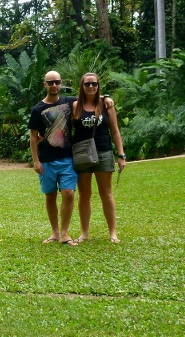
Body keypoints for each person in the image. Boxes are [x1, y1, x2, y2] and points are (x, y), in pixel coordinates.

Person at [71, 73, 127, 244]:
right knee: (84, 194)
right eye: (87, 84)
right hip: (82, 154)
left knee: (106, 193)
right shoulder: (75, 106)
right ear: (82, 86)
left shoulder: (106, 105)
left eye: (94, 84)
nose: (91, 87)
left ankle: (113, 232)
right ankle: (84, 233)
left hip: (103, 152)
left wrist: (121, 155)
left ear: (98, 86)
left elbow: (115, 131)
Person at [28, 71, 80, 246]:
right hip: (46, 160)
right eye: (50, 82)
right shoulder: (37, 110)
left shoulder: (69, 101)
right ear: (45, 85)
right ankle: (55, 232)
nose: (54, 85)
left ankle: (65, 233)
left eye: (57, 82)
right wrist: (36, 160)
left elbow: (90, 97)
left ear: (61, 83)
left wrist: (106, 98)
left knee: (69, 193)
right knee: (50, 196)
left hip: (67, 158)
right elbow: (33, 137)